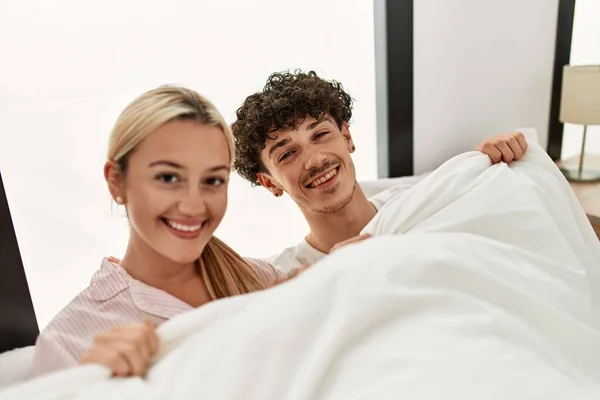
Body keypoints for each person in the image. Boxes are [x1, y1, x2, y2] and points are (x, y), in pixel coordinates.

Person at [29, 85, 285, 379]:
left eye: (213, 180)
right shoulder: (69, 345)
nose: (192, 206)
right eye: (168, 177)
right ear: (116, 182)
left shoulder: (265, 281)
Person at [231, 70, 529, 271]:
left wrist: (490, 160)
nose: (314, 160)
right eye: (288, 154)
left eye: (320, 135)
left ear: (347, 137)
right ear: (269, 183)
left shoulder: (419, 204)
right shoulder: (287, 277)